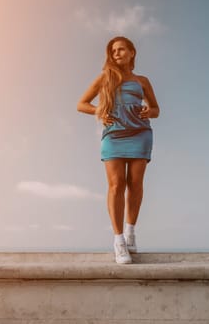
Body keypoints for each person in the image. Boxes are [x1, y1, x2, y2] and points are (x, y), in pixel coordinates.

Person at [77, 36, 160, 264]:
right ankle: (119, 241)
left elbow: (156, 109)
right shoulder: (106, 77)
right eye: (113, 51)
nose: (117, 54)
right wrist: (99, 112)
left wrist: (148, 111)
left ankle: (131, 232)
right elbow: (81, 103)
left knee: (135, 184)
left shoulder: (142, 80)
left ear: (132, 53)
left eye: (121, 50)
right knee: (116, 185)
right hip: (113, 135)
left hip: (140, 134)